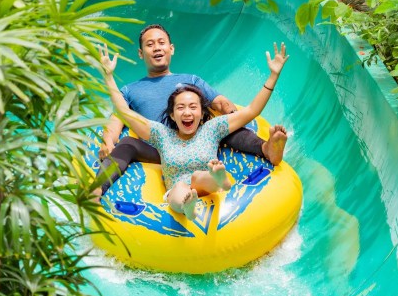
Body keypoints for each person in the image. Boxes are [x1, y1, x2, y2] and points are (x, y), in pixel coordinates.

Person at [93, 24, 288, 197]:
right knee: (127, 143)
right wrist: (108, 142)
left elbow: (219, 102)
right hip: (159, 145)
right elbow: (119, 116)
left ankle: (266, 148)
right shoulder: (130, 89)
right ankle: (97, 189)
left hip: (197, 139)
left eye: (161, 42)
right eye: (150, 44)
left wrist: (231, 113)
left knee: (223, 126)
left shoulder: (191, 80)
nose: (157, 47)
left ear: (171, 49)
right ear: (141, 53)